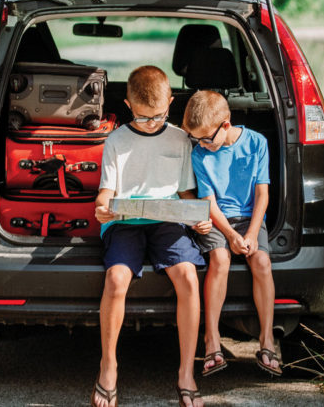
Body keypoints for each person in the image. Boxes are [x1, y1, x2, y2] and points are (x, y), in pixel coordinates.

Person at [92, 66, 210, 407]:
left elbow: (187, 193)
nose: (151, 124)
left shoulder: (179, 138)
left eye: (158, 117)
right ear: (129, 105)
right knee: (116, 279)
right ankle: (108, 365)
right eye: (144, 118)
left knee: (188, 276)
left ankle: (187, 371)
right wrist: (103, 209)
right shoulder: (116, 141)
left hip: (167, 221)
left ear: (171, 104)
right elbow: (105, 194)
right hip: (124, 221)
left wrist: (199, 218)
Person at [181, 90, 282, 377]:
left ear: (226, 124)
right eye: (196, 139)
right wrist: (230, 234)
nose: (202, 145)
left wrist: (250, 234)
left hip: (250, 218)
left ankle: (267, 340)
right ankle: (211, 338)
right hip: (216, 218)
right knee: (220, 259)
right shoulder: (200, 152)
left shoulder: (257, 143)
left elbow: (262, 194)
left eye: (206, 138)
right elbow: (208, 202)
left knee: (262, 262)